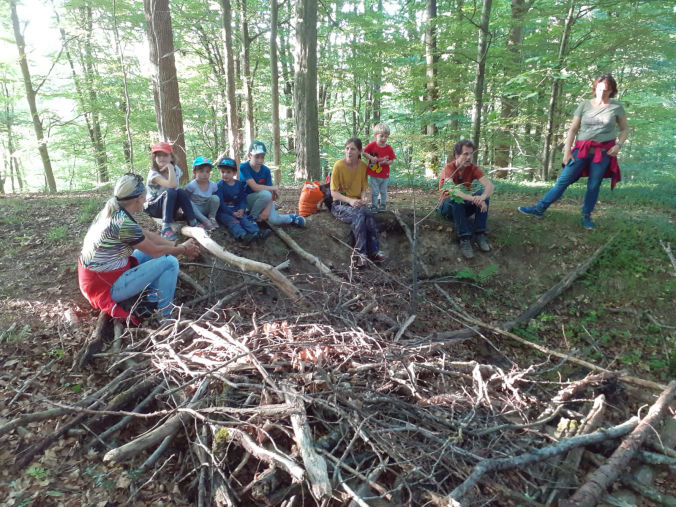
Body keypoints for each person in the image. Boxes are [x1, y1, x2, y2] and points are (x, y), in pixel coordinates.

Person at [78, 173, 200, 324]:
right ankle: (165, 316)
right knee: (170, 262)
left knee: (153, 253)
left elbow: (145, 234)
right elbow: (155, 251)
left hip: (95, 279)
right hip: (103, 287)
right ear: (137, 199)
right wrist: (182, 249)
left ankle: (152, 300)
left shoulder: (115, 211)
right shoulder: (123, 222)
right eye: (144, 197)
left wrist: (175, 245)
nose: (145, 200)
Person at [518, 74, 629, 230]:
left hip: (602, 152)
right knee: (563, 180)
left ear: (612, 91)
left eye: (606, 90)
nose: (601, 92)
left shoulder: (616, 107)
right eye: (599, 88)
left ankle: (586, 216)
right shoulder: (584, 105)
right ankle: (539, 209)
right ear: (594, 87)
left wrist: (618, 145)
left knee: (593, 185)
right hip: (581, 150)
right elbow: (573, 129)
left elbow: (624, 129)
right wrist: (567, 152)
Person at [330, 137, 386, 268]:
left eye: (353, 149)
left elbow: (364, 188)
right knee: (358, 216)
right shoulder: (338, 166)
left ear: (360, 151)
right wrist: (350, 200)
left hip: (356, 203)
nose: (349, 151)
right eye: (347, 148)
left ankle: (375, 251)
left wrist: (364, 198)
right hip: (339, 204)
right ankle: (361, 254)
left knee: (368, 213)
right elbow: (333, 193)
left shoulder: (363, 166)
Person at [437, 140, 495, 259]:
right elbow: (452, 190)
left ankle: (479, 234)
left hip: (463, 205)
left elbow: (490, 186)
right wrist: (474, 198)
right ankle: (464, 238)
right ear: (457, 155)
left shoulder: (473, 168)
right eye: (465, 154)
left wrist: (482, 198)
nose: (469, 157)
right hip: (447, 206)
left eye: (471, 154)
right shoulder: (449, 168)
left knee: (483, 196)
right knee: (456, 199)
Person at [239, 140, 306, 227]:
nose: (260, 160)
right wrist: (273, 188)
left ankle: (292, 218)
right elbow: (255, 187)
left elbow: (270, 194)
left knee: (274, 220)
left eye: (262, 157)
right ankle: (253, 218)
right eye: (257, 157)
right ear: (249, 155)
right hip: (248, 200)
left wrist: (267, 210)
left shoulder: (265, 170)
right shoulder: (244, 168)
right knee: (265, 194)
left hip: (264, 200)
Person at [144, 142, 200, 241]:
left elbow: (176, 188)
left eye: (165, 155)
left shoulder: (176, 169)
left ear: (171, 157)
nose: (161, 158)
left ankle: (192, 221)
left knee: (181, 192)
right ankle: (166, 227)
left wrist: (171, 169)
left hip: (168, 206)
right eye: (158, 155)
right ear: (154, 158)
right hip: (153, 206)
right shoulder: (153, 173)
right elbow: (172, 185)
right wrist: (170, 167)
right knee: (171, 191)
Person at [215, 158, 270, 244]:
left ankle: (257, 233)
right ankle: (242, 236)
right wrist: (232, 213)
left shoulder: (239, 184)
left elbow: (243, 199)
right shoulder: (219, 185)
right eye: (222, 172)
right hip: (224, 212)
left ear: (234, 173)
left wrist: (242, 209)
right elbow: (220, 204)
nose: (225, 174)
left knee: (244, 219)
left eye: (228, 172)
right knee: (233, 221)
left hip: (237, 209)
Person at [363, 123, 396, 212]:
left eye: (386, 136)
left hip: (384, 174)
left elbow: (392, 160)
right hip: (374, 173)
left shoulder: (389, 148)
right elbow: (364, 152)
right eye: (381, 136)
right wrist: (371, 158)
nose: (384, 138)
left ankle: (382, 205)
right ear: (375, 135)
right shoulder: (372, 145)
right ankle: (374, 205)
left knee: (383, 191)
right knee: (374, 191)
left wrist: (387, 162)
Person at [184, 156, 220, 231]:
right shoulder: (192, 186)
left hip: (206, 208)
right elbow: (185, 199)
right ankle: (205, 221)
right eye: (201, 171)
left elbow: (213, 201)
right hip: (195, 210)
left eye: (207, 171)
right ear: (195, 172)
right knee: (189, 203)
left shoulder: (213, 185)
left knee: (215, 198)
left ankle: (212, 218)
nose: (205, 174)